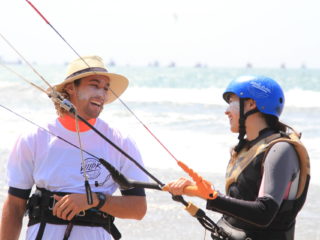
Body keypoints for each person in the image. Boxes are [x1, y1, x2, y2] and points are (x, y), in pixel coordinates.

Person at [0, 55, 148, 240]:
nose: (101, 94)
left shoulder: (121, 141)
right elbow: (14, 205)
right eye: (94, 85)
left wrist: (94, 200)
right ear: (70, 88)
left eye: (105, 88)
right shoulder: (34, 138)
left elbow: (138, 209)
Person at [166, 76, 310, 240]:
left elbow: (264, 212)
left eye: (232, 102)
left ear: (251, 104)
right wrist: (194, 189)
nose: (226, 111)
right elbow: (239, 204)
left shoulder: (280, 150)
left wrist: (211, 196)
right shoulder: (245, 149)